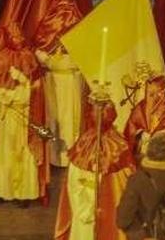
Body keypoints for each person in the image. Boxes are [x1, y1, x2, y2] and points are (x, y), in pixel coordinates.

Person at [0, 23, 49, 204]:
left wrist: (22, 85)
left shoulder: (29, 57)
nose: (18, 41)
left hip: (24, 115)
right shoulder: (0, 58)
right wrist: (5, 96)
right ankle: (2, 189)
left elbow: (37, 88)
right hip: (5, 116)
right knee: (4, 149)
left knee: (22, 149)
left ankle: (23, 192)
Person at [55, 97, 135, 240]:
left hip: (99, 210)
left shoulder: (112, 149)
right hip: (88, 211)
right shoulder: (119, 147)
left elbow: (74, 182)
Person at [33, 0, 85, 167]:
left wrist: (50, 60)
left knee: (62, 117)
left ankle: (59, 155)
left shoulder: (48, 25)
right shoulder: (79, 25)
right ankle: (65, 154)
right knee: (65, 116)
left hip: (59, 78)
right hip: (66, 79)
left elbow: (39, 51)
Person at [123, 76, 165, 167]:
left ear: (162, 93)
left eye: (153, 94)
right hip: (141, 158)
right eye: (148, 94)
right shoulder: (140, 108)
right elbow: (129, 135)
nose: (150, 99)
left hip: (163, 159)